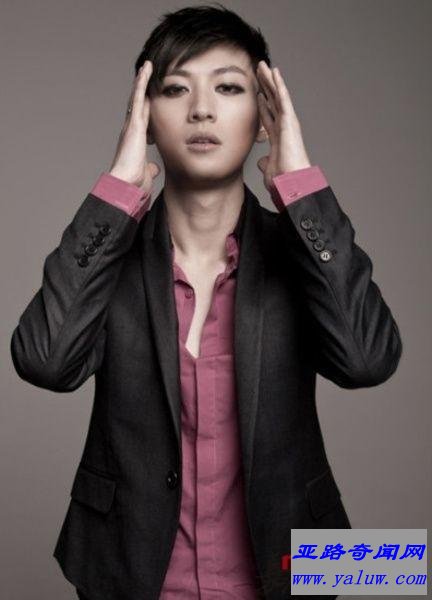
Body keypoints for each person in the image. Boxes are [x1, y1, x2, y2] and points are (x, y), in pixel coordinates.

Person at [10, 4, 403, 600]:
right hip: (128, 577)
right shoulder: (111, 258)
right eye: (174, 89)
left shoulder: (298, 252)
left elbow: (368, 359)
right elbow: (45, 361)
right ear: (144, 117)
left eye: (228, 87)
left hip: (295, 574)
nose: (201, 109)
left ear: (265, 116)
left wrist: (300, 184)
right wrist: (116, 188)